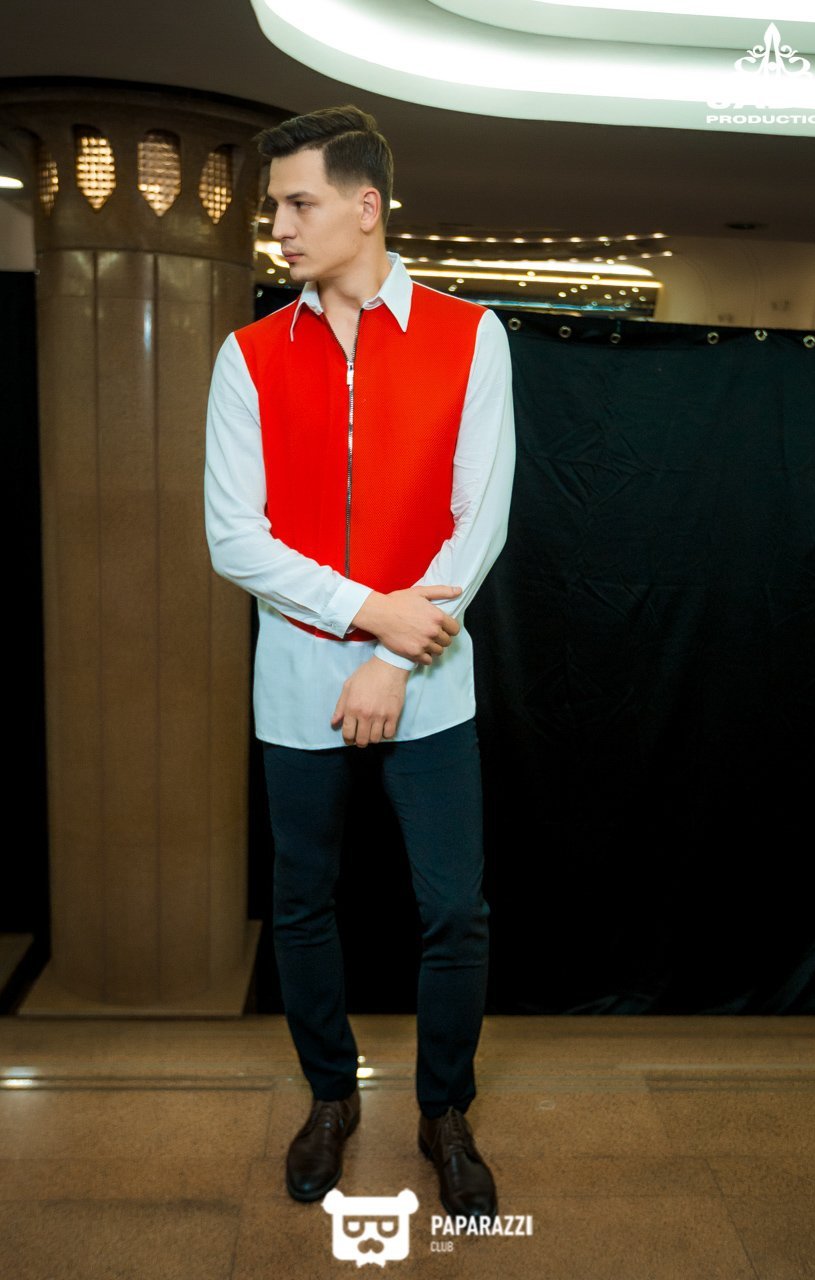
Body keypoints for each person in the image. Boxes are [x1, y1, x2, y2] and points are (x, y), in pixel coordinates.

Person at [204, 104, 515, 1222]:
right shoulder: (247, 355)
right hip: (296, 681)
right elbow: (233, 538)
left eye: (299, 203)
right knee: (302, 904)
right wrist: (366, 613)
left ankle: (444, 1112)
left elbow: (479, 520)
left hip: (427, 678)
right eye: (275, 207)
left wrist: (393, 650)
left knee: (453, 909)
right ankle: (330, 1098)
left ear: (366, 205)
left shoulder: (471, 335)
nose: (280, 227)